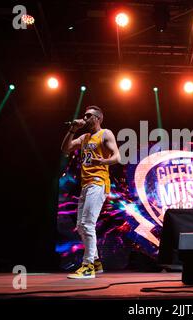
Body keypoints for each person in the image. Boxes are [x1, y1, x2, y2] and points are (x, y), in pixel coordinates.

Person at [61, 105, 121, 279]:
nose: (85, 118)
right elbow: (65, 148)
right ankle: (95, 262)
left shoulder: (105, 134)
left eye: (89, 116)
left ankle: (88, 267)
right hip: (86, 185)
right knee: (80, 226)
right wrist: (72, 129)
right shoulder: (84, 137)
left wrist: (104, 160)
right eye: (84, 116)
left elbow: (118, 156)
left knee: (88, 224)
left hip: (98, 183)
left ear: (98, 118)